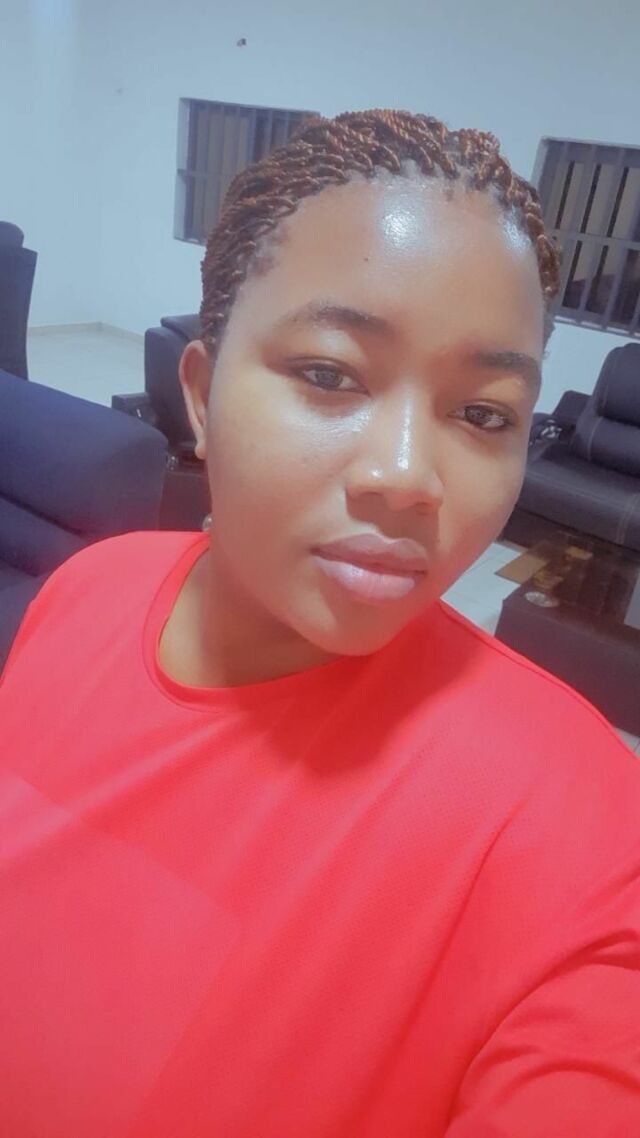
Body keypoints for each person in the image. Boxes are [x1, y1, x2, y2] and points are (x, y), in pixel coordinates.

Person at [0, 110, 639, 1137]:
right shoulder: (90, 586)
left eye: (482, 414)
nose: (408, 477)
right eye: (330, 374)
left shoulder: (584, 829)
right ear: (200, 397)